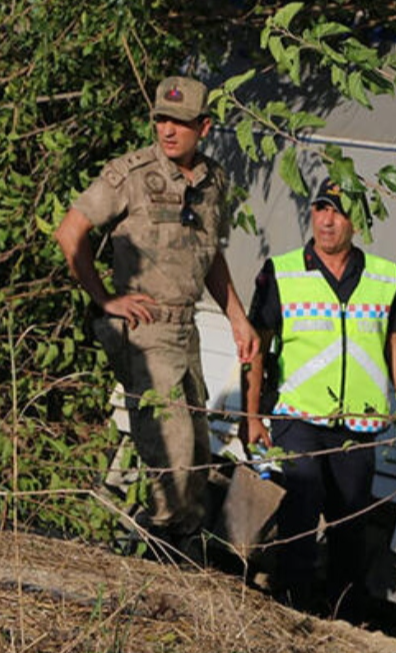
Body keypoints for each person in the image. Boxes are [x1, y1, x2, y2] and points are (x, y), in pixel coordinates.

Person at [54, 75, 260, 557]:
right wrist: (105, 298)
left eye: (180, 122)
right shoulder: (130, 173)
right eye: (161, 120)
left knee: (199, 453)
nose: (168, 130)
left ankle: (174, 557)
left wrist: (237, 318)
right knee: (172, 457)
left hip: (185, 327)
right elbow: (70, 232)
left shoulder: (213, 181)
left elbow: (211, 256)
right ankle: (150, 554)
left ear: (203, 127)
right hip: (144, 329)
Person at [241, 177, 396, 618]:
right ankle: (291, 608)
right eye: (321, 208)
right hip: (298, 415)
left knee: (350, 521)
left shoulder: (382, 276)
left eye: (337, 211)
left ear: (355, 221)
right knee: (301, 506)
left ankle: (341, 616)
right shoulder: (282, 271)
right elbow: (255, 346)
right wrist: (251, 416)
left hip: (357, 422)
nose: (326, 220)